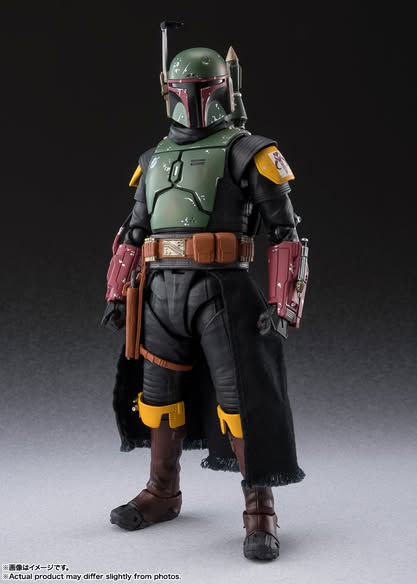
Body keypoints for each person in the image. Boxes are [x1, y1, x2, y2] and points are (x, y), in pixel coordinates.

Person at [102, 40, 309, 562]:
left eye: (198, 91)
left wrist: (283, 304)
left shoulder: (248, 151)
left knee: (242, 402)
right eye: (181, 91)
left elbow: (285, 232)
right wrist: (117, 291)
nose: (189, 101)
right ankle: (162, 491)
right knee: (158, 397)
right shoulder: (154, 158)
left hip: (222, 291)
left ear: (222, 90)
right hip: (159, 293)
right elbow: (133, 231)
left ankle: (259, 509)